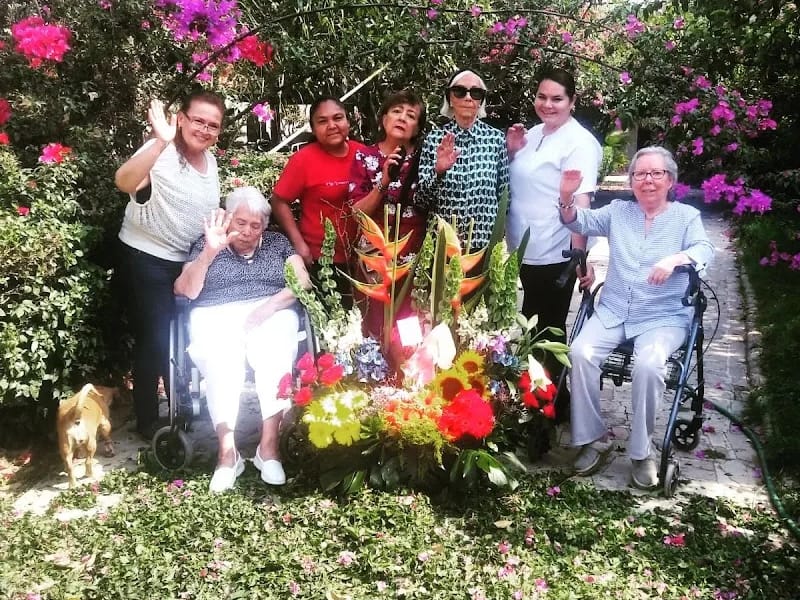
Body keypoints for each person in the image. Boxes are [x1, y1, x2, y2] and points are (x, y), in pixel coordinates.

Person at [558, 146, 714, 489]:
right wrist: (567, 197)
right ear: (631, 181)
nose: (648, 180)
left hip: (663, 316)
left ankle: (641, 452)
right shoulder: (618, 212)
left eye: (656, 174)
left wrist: (676, 259)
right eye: (640, 174)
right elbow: (576, 221)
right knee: (580, 353)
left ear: (670, 180)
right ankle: (592, 439)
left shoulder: (686, 217)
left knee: (649, 364)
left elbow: (705, 251)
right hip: (614, 309)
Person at [174, 187, 311, 493]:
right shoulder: (205, 244)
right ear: (228, 218)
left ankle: (269, 448)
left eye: (256, 225)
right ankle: (227, 454)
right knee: (221, 357)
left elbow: (302, 281)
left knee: (275, 347)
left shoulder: (277, 243)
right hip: (215, 312)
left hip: (271, 307)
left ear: (264, 226)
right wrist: (209, 253)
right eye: (241, 223)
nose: (247, 231)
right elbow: (184, 291)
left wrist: (268, 308)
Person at [114, 91, 224, 440]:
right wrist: (159, 143)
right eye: (198, 120)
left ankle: (181, 405)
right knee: (155, 339)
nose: (204, 130)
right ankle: (148, 419)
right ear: (181, 119)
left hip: (184, 263)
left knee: (184, 337)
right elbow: (124, 182)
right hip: (145, 258)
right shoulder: (159, 152)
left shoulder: (211, 163)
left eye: (213, 125)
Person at [505, 68, 602, 421]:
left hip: (554, 252)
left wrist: (581, 256)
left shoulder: (580, 143)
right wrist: (512, 152)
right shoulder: (532, 134)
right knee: (533, 328)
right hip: (523, 251)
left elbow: (582, 203)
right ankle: (554, 404)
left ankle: (545, 412)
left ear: (572, 102)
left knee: (547, 333)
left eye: (557, 98)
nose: (548, 104)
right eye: (542, 97)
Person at [270, 96, 364, 308]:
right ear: (313, 128)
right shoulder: (303, 160)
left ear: (348, 122)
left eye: (338, 118)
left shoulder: (363, 154)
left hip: (364, 258)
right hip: (322, 260)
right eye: (322, 121)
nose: (332, 125)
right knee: (333, 325)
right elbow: (279, 201)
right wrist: (298, 243)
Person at [348, 89, 427, 338]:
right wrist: (382, 182)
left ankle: (408, 376)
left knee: (409, 336)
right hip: (374, 264)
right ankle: (376, 374)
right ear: (383, 119)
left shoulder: (426, 159)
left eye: (411, 115)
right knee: (374, 331)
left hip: (414, 265)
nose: (403, 118)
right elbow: (357, 213)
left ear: (417, 128)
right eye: (396, 111)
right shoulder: (365, 157)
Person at [416, 69, 509, 250]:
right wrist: (439, 172)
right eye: (460, 91)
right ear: (450, 98)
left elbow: (504, 197)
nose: (468, 98)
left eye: (475, 93)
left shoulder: (496, 139)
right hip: (443, 245)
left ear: (481, 100)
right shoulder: (434, 139)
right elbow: (421, 200)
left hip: (483, 245)